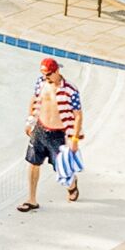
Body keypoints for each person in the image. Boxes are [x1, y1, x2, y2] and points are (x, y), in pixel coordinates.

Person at [20, 57, 84, 210]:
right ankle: (31, 199)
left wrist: (74, 137)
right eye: (43, 74)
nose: (45, 77)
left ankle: (72, 185)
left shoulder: (70, 89)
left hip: (58, 134)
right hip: (40, 129)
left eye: (48, 74)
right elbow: (35, 99)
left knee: (62, 168)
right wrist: (30, 121)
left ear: (56, 71)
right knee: (33, 163)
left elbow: (78, 115)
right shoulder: (41, 83)